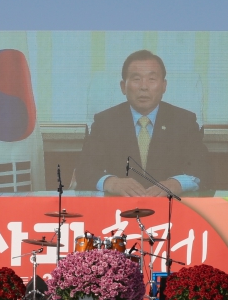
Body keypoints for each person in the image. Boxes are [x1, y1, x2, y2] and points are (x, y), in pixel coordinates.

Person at [74, 50, 211, 196]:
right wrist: (111, 182)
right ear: (123, 86)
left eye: (152, 79)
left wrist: (176, 183)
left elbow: (204, 169)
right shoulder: (105, 122)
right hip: (119, 209)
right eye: (136, 79)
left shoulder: (184, 121)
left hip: (170, 209)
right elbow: (84, 170)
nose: (144, 87)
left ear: (164, 86)